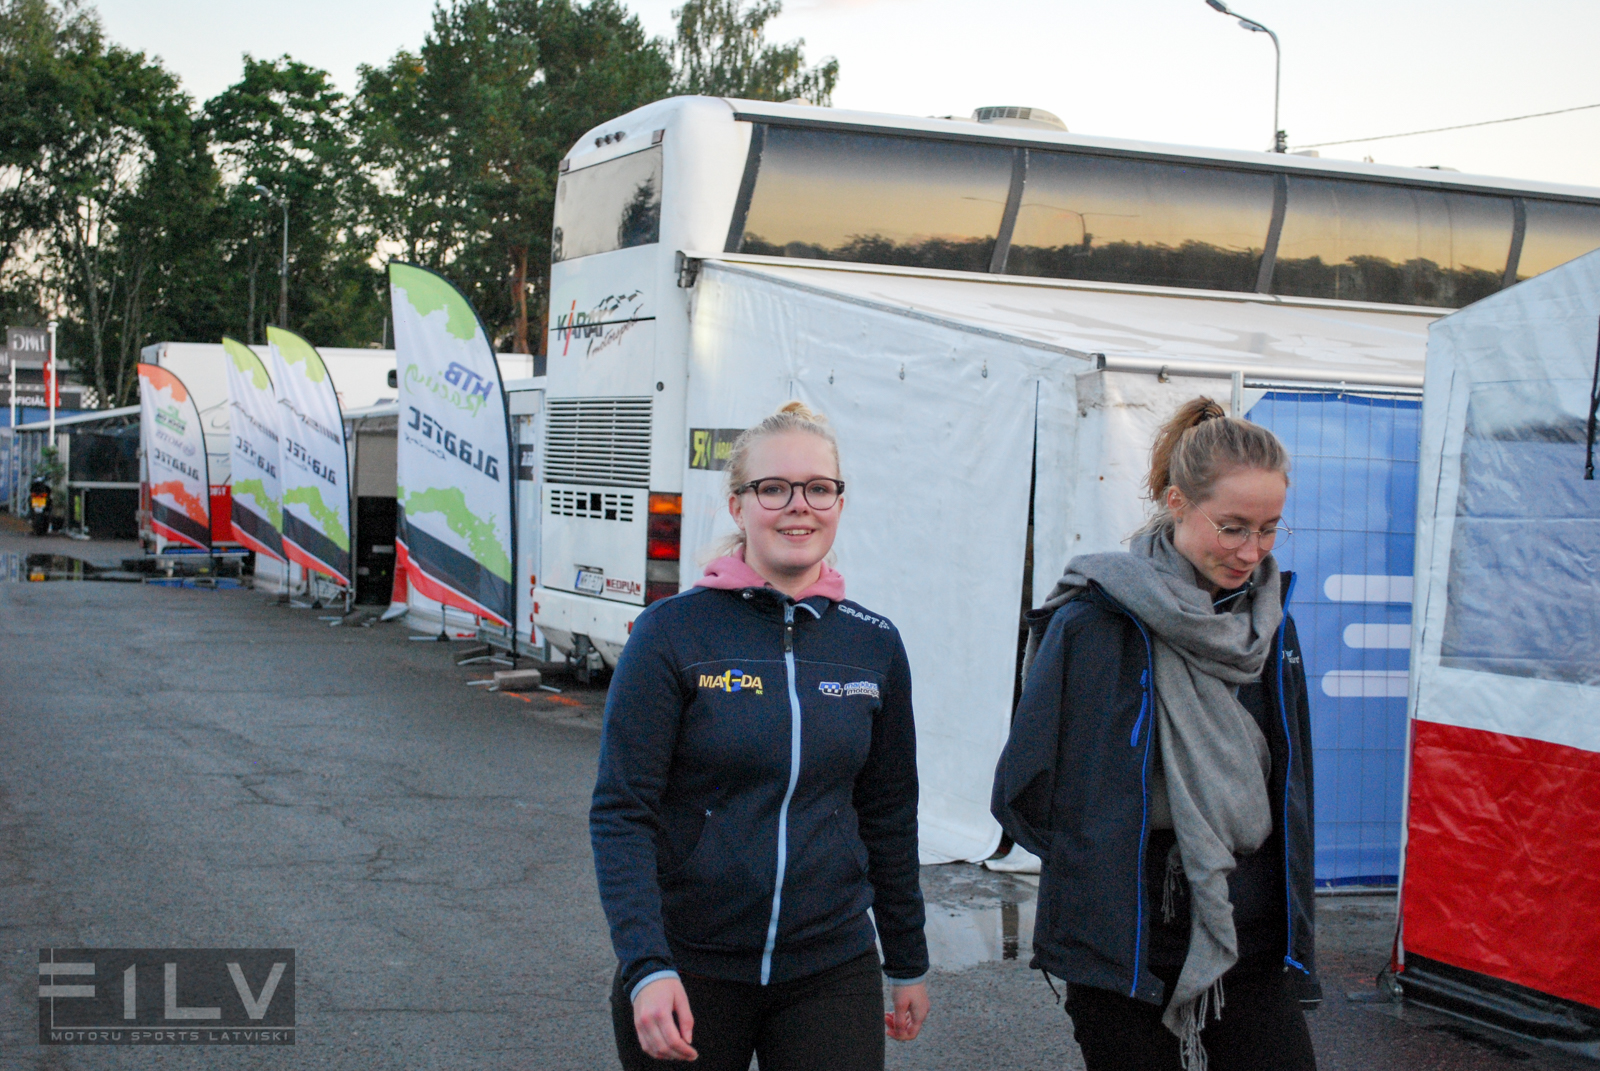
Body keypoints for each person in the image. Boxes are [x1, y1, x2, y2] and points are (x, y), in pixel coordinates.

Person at [591, 400, 931, 1070]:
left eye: (819, 488)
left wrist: (907, 959)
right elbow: (622, 811)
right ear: (738, 505)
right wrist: (645, 963)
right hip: (690, 964)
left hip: (830, 965)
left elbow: (889, 812)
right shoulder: (672, 634)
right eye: (774, 488)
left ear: (839, 502)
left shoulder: (874, 644)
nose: (798, 506)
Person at [992, 397, 1319, 1071]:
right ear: (1177, 502)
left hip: (1249, 934)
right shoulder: (1094, 620)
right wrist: (1099, 866)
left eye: (1269, 529)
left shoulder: (1270, 627)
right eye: (1232, 527)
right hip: (1126, 940)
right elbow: (1028, 783)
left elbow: (1293, 783)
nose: (1252, 551)